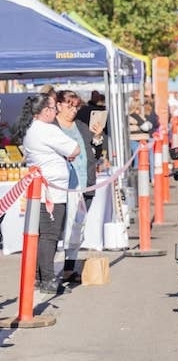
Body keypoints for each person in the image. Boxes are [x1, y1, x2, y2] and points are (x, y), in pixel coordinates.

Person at [17, 93, 80, 294]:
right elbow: (74, 149)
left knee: (42, 234)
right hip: (52, 191)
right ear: (45, 111)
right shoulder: (46, 130)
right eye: (54, 108)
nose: (56, 111)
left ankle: (39, 275)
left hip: (43, 189)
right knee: (49, 235)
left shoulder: (31, 129)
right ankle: (48, 278)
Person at [55, 90, 104, 283]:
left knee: (78, 226)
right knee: (57, 228)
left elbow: (95, 154)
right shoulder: (51, 128)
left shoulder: (81, 127)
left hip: (85, 184)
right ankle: (45, 271)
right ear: (58, 105)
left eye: (76, 106)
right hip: (61, 186)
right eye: (69, 106)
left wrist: (98, 138)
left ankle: (69, 268)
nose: (73, 110)